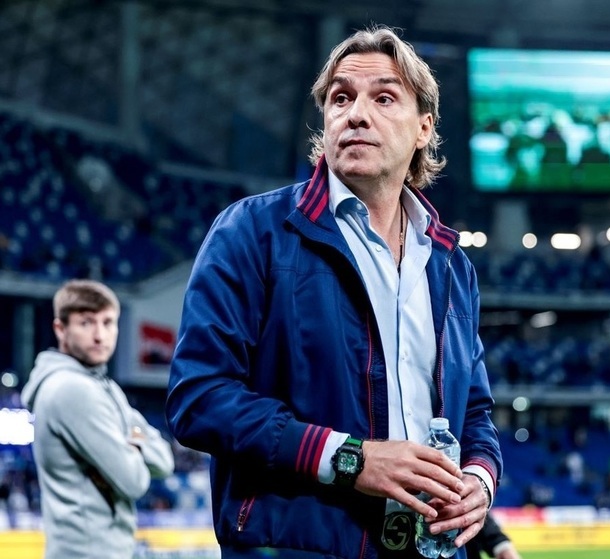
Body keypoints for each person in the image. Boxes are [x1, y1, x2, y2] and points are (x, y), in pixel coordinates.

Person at [166, 24, 502, 559]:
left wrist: (479, 481)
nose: (356, 114)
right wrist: (351, 459)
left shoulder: (451, 265)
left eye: (384, 98)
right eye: (341, 98)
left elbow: (476, 412)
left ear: (423, 128)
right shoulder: (252, 231)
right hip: (297, 545)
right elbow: (199, 398)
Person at [20, 279, 175, 559]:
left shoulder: (105, 387)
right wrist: (137, 442)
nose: (100, 335)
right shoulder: (72, 389)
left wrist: (132, 443)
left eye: (108, 322)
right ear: (60, 329)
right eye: (86, 323)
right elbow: (134, 480)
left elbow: (164, 460)